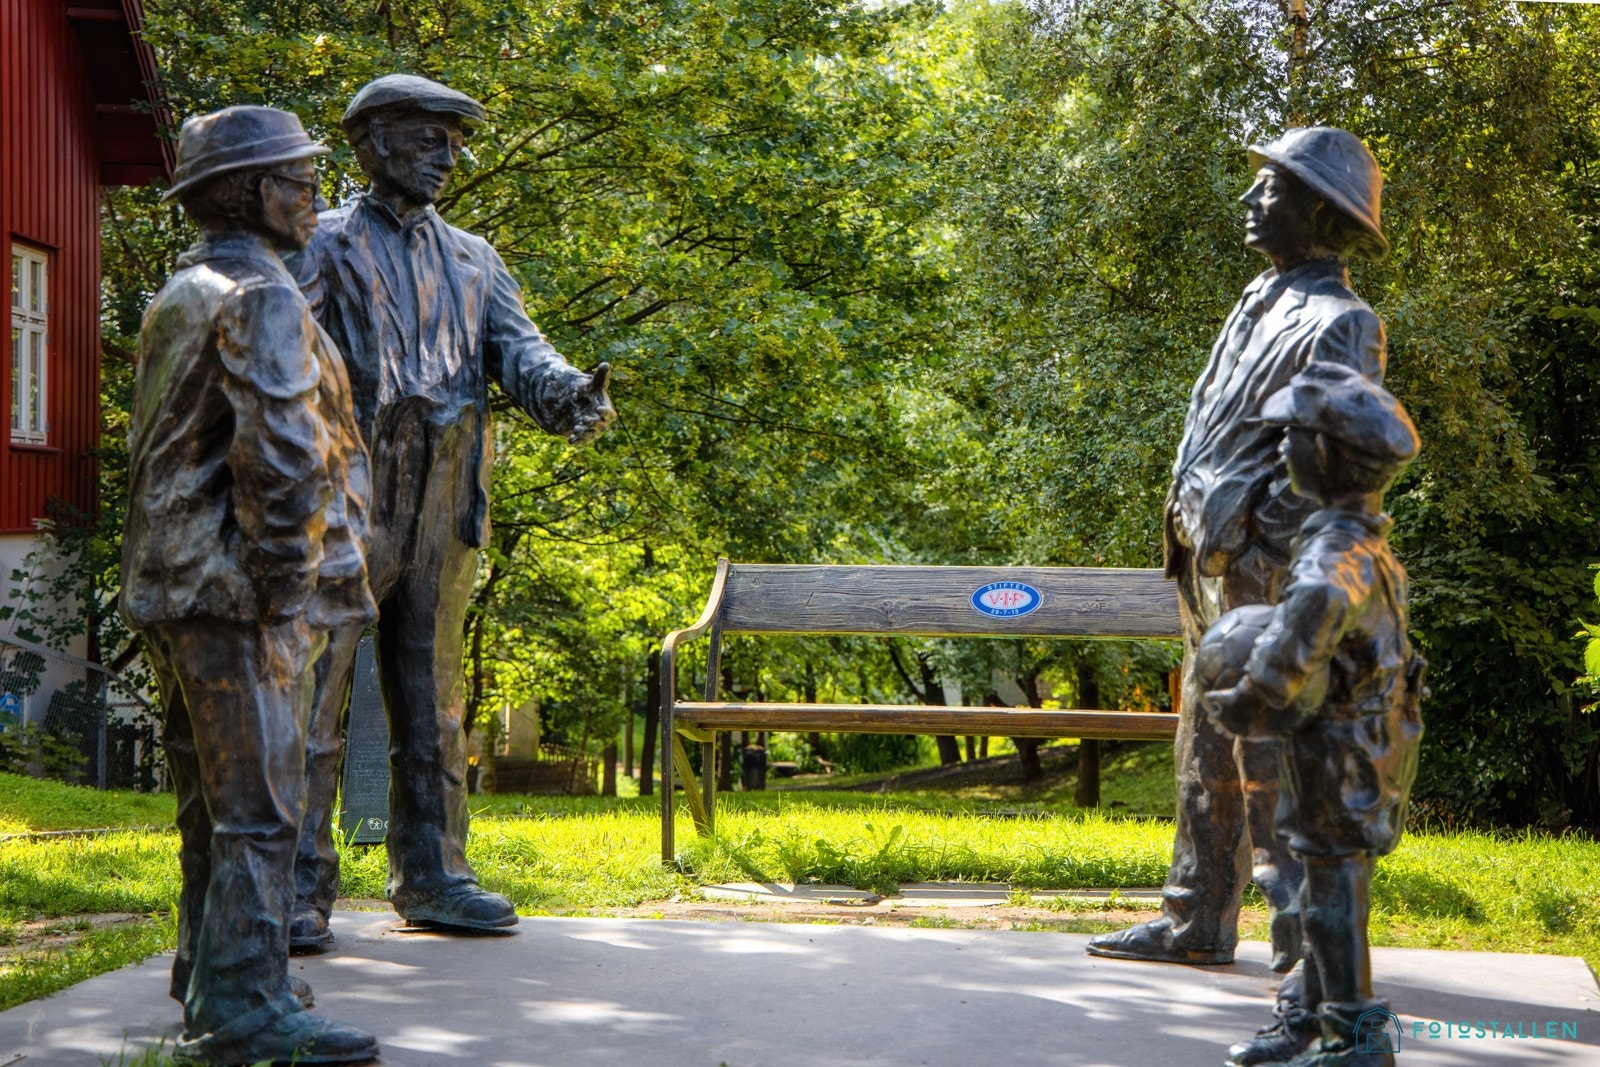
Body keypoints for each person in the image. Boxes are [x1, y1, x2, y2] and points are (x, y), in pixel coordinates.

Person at [1086, 126, 1391, 1066]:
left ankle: (1309, 984)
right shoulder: (1258, 295)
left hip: (1266, 557)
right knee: (1203, 746)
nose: (1250, 201)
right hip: (1208, 551)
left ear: (1320, 209)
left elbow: (1338, 457)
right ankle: (1194, 915)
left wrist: (1257, 521)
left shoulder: (1346, 320)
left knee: (1276, 779)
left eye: (1270, 187)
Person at [289, 74, 616, 948]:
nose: (448, 154)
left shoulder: (474, 256)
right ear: (369, 142)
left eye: (455, 139)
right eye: (428, 136)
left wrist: (566, 393)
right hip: (345, 497)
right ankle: (293, 886)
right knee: (313, 697)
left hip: (443, 499)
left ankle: (435, 873)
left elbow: (521, 349)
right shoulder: (316, 245)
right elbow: (278, 367)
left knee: (433, 698)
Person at [120, 105, 379, 1064]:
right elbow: (279, 458)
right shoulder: (261, 296)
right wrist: (287, 588)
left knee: (210, 797)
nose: (314, 194)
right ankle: (243, 1008)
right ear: (247, 191)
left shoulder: (184, 288)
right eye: (298, 178)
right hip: (240, 591)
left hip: (174, 580)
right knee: (263, 805)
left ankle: (213, 968)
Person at [1202, 361, 1425, 1067]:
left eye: (1292, 436)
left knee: (1331, 892)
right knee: (1321, 881)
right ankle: (1308, 1014)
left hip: (1340, 749)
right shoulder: (1365, 543)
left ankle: (1353, 1034)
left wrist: (1245, 701)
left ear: (1321, 455)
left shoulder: (1333, 557)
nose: (1283, 449)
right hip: (1362, 739)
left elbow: (1296, 643)